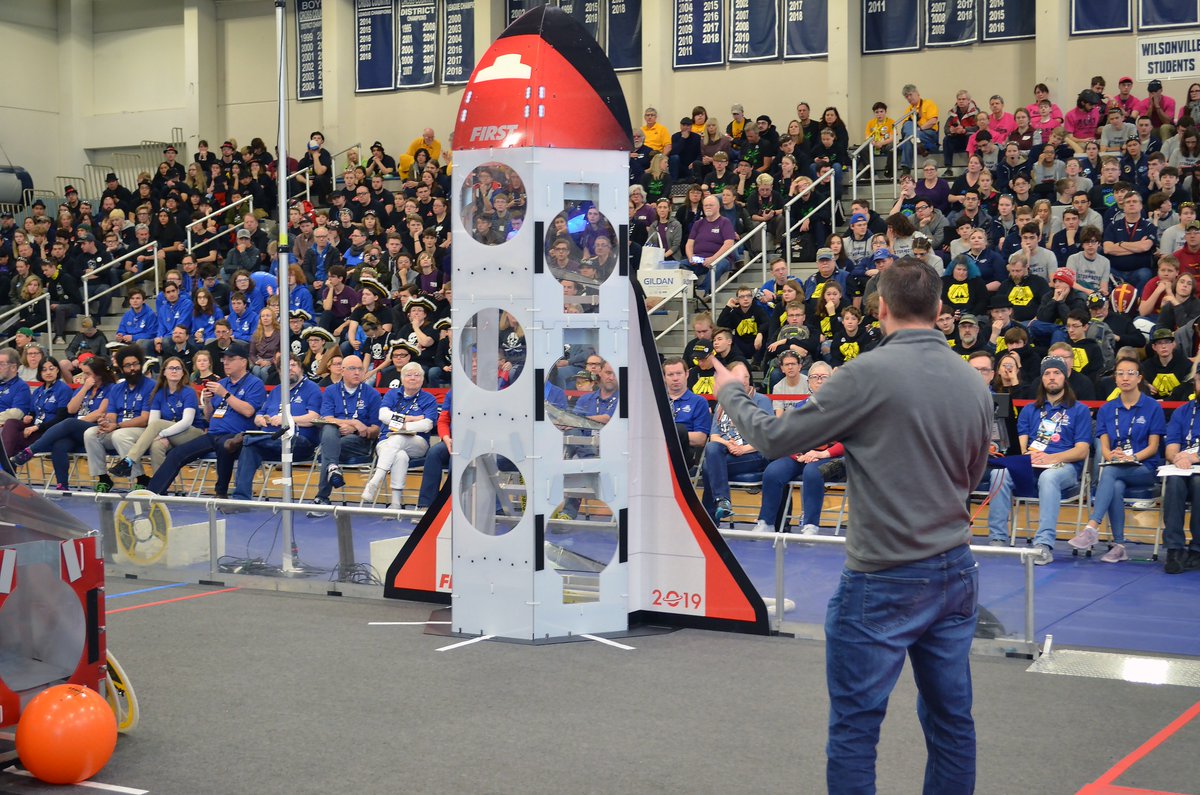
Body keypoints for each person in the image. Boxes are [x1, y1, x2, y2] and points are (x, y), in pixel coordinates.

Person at [711, 260, 989, 793]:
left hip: (884, 575)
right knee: (953, 722)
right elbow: (972, 475)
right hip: (954, 568)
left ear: (880, 309)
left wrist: (731, 391)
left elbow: (774, 439)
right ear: (939, 310)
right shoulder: (972, 382)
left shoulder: (864, 374)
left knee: (857, 728)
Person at [1068, 356, 1165, 563]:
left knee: (1110, 472)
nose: (1125, 378)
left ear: (1139, 378)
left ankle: (1092, 527)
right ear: (1115, 378)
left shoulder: (1152, 407)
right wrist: (1111, 455)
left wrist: (1131, 457)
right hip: (1117, 465)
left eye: (1130, 373)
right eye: (1120, 373)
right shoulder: (1107, 409)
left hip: (1144, 468)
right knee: (1116, 485)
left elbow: (1153, 446)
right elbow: (1104, 445)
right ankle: (1119, 545)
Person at [226, 355, 323, 505]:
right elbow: (260, 413)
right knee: (249, 448)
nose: (290, 369)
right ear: (279, 371)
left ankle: (245, 438)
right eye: (285, 366)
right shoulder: (277, 390)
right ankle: (241, 500)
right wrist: (260, 419)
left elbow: (313, 418)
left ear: (301, 368)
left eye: (293, 365)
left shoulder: (312, 388)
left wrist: (287, 419)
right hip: (271, 440)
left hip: (299, 443)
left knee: (248, 442)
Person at [9, 357, 115, 491]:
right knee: (59, 445)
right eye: (83, 373)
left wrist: (76, 423)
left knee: (69, 422)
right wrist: (85, 388)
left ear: (99, 374)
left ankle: (30, 451)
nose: (84, 377)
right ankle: (62, 485)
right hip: (76, 431)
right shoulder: (85, 388)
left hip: (95, 428)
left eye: (88, 374)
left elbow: (99, 413)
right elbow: (71, 409)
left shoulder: (110, 388)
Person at [307, 354, 382, 514]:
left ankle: (323, 495)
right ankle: (330, 475)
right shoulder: (331, 391)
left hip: (359, 442)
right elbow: (327, 418)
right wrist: (354, 423)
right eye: (352, 368)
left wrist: (358, 430)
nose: (357, 372)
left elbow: (376, 429)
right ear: (342, 371)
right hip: (333, 436)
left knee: (329, 448)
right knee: (329, 429)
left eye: (360, 369)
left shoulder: (372, 394)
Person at [700, 360, 772, 521]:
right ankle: (721, 504)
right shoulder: (722, 403)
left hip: (753, 454)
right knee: (712, 447)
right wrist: (729, 444)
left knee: (707, 468)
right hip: (726, 452)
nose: (744, 381)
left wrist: (743, 449)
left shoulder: (762, 401)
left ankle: (712, 516)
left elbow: (767, 436)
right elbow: (714, 436)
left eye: (746, 377)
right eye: (739, 377)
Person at [362, 362, 439, 510]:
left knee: (398, 438)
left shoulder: (429, 399)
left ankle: (375, 480)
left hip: (418, 442)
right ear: (402, 378)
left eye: (417, 375)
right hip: (386, 440)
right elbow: (383, 415)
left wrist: (400, 425)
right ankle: (396, 503)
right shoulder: (392, 394)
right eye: (409, 375)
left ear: (422, 379)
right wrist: (410, 419)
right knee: (400, 455)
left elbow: (427, 425)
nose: (413, 378)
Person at [85, 346, 155, 492]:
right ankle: (103, 478)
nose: (133, 368)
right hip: (119, 428)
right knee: (91, 433)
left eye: (136, 364)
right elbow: (111, 414)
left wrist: (117, 426)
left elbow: (145, 419)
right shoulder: (117, 388)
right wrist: (106, 422)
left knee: (119, 435)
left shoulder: (151, 386)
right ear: (122, 369)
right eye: (128, 366)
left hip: (142, 431)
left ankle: (141, 478)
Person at [1161, 363, 1200, 574]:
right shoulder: (1182, 412)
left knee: (1199, 483)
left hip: (1196, 467)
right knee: (1175, 482)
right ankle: (1174, 548)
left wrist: (1193, 457)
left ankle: (1197, 548)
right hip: (1183, 466)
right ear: (1195, 382)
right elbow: (1171, 447)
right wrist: (1177, 457)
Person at [663, 356, 712, 468]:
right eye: (670, 375)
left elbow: (700, 439)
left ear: (687, 374)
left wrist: (671, 435)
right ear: (664, 377)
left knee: (679, 429)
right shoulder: (656, 400)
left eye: (679, 373)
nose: (675, 378)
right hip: (656, 452)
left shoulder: (699, 402)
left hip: (684, 455)